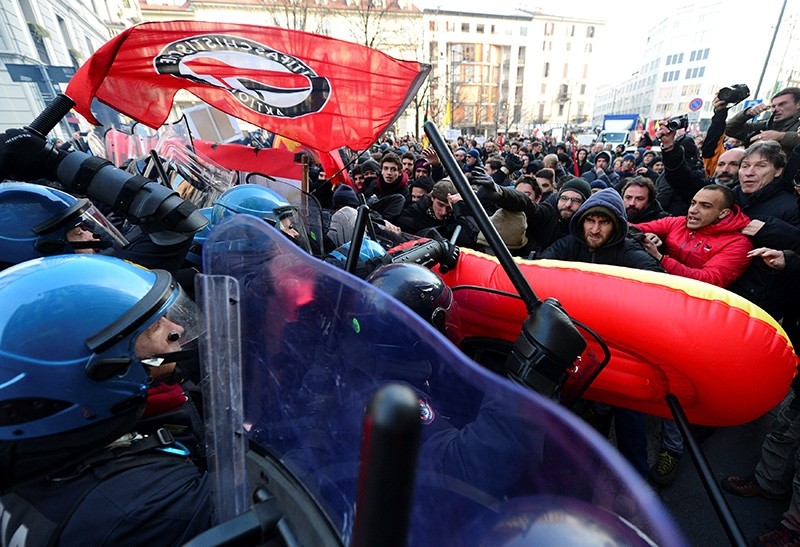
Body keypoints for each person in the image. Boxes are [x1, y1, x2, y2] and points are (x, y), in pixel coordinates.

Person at [0, 254, 212, 545]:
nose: (176, 330)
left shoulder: (33, 455)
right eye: (152, 327)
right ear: (106, 369)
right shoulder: (151, 505)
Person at [538, 188, 664, 476]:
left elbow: (660, 284)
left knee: (628, 410)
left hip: (617, 344)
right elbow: (542, 267)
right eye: (590, 221)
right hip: (576, 339)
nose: (594, 230)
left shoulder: (629, 251)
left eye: (604, 222)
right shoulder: (570, 243)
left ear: (616, 225)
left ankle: (635, 478)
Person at [634, 184, 753, 486]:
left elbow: (710, 281)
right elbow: (634, 225)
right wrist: (634, 233)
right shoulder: (676, 223)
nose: (693, 210)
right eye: (693, 202)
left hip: (696, 326)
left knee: (676, 385)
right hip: (659, 312)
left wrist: (660, 259)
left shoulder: (737, 245)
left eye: (704, 206)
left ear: (723, 213)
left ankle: (671, 450)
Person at [396, 179, 479, 248]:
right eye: (440, 205)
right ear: (432, 198)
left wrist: (461, 209)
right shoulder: (412, 215)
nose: (443, 212)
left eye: (449, 207)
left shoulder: (457, 215)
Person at [725, 87, 800, 158]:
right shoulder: (767, 125)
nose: (775, 109)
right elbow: (730, 129)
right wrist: (747, 113)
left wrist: (781, 136)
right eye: (773, 106)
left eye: (782, 104)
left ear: (798, 105)